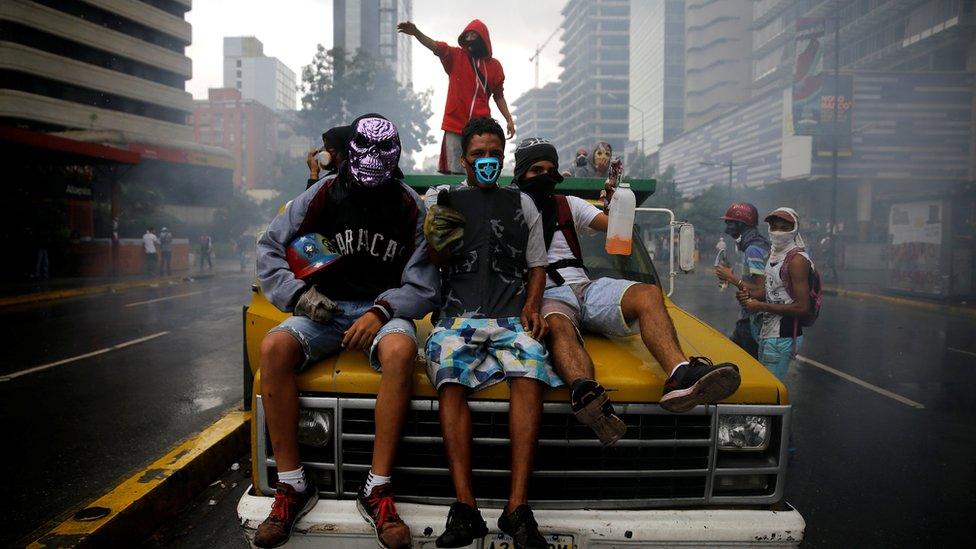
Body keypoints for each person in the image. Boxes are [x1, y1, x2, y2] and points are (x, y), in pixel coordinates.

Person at [255, 113, 438, 549]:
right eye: (365, 147)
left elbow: (424, 283)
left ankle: (377, 487)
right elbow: (270, 247)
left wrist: (381, 310)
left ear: (396, 155)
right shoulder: (321, 195)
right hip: (325, 309)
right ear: (351, 148)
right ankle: (291, 484)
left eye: (383, 149)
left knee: (398, 352)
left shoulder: (412, 206)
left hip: (383, 310)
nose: (373, 158)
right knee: (275, 347)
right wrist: (298, 296)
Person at [509, 137, 742, 447]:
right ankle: (587, 395)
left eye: (551, 169)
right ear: (521, 173)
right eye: (536, 169)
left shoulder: (568, 204)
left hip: (586, 287)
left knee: (647, 293)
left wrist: (617, 204)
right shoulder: (507, 209)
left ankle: (679, 374)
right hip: (549, 293)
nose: (545, 176)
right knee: (559, 326)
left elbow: (615, 227)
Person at [422, 118, 556, 549]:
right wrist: (438, 231)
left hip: (511, 319)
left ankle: (517, 508)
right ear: (464, 159)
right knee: (447, 375)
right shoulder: (440, 197)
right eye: (478, 154)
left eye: (493, 155)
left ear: (503, 158)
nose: (486, 161)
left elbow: (537, 265)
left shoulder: (524, 205)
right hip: (456, 320)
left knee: (532, 367)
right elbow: (434, 259)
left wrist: (533, 307)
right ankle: (466, 509)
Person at [398, 19, 515, 174]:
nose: (470, 38)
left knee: (480, 167)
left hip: (480, 126)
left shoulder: (494, 66)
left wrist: (508, 118)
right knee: (456, 170)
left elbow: (499, 96)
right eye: (467, 35)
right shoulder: (456, 56)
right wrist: (416, 33)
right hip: (455, 122)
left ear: (484, 38)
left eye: (474, 35)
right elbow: (435, 46)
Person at [734, 208, 813, 381]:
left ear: (795, 229)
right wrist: (750, 297)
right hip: (767, 332)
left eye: (785, 228)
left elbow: (802, 307)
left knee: (768, 391)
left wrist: (760, 306)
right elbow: (770, 293)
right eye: (774, 227)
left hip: (782, 336)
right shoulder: (774, 254)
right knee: (763, 386)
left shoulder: (797, 260)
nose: (778, 232)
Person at [715, 203, 770, 358]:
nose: (727, 228)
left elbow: (761, 290)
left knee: (745, 366)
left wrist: (731, 278)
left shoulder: (753, 249)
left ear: (741, 223)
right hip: (748, 318)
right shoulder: (757, 244)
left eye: (730, 223)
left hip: (752, 320)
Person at [307, 125, 352, 190]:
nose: (325, 151)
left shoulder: (339, 183)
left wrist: (314, 173)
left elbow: (311, 198)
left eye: (330, 150)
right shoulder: (332, 178)